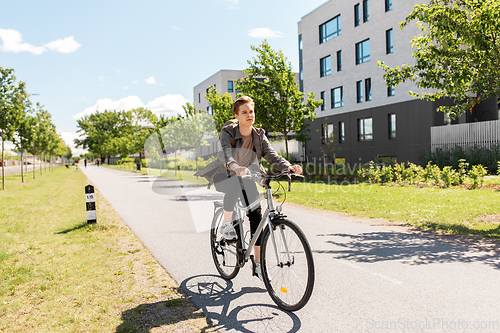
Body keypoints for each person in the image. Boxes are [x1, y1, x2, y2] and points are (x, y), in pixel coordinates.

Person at [216, 96, 302, 281]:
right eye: (244, 112)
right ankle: (226, 225)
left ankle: (257, 265)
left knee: (256, 213)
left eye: (251, 111)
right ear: (237, 115)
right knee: (233, 184)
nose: (249, 115)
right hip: (227, 172)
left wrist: (288, 167)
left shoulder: (259, 134)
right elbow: (225, 154)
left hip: (249, 175)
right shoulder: (228, 132)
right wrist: (236, 167)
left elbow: (272, 155)